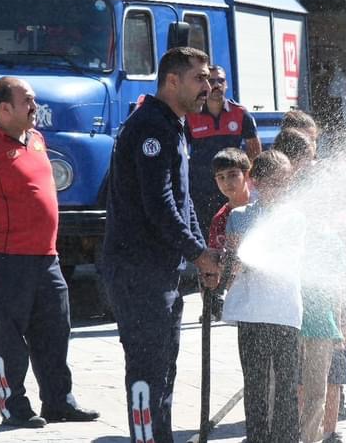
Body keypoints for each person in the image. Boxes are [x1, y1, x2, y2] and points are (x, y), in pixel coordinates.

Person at [0, 76, 99, 428]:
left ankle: (58, 402)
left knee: (54, 331)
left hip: (46, 258)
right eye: (28, 102)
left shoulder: (36, 139)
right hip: (7, 259)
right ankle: (14, 408)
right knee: (9, 336)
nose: (36, 107)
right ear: (4, 109)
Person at [99, 47, 224, 443]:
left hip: (161, 270)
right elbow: (160, 204)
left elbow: (183, 203)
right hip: (139, 271)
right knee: (148, 368)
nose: (208, 86)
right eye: (199, 78)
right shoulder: (152, 127)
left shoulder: (172, 124)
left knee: (164, 368)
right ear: (173, 81)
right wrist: (198, 253)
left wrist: (200, 253)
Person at [221, 150, 304, 443]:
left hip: (285, 312)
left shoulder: (296, 218)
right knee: (255, 384)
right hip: (252, 313)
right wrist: (227, 272)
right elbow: (231, 263)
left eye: (286, 183)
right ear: (257, 182)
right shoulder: (239, 217)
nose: (282, 189)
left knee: (287, 385)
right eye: (276, 182)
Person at [187, 64, 262, 237]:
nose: (217, 85)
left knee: (235, 232)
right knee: (206, 234)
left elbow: (254, 150)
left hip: (232, 187)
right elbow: (182, 152)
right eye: (211, 80)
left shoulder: (240, 113)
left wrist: (249, 181)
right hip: (201, 188)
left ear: (226, 84)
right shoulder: (192, 115)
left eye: (221, 80)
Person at [204, 148, 253, 321]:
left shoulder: (262, 206)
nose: (227, 182)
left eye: (233, 175)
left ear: (247, 174)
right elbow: (213, 264)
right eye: (221, 177)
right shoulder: (219, 219)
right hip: (239, 297)